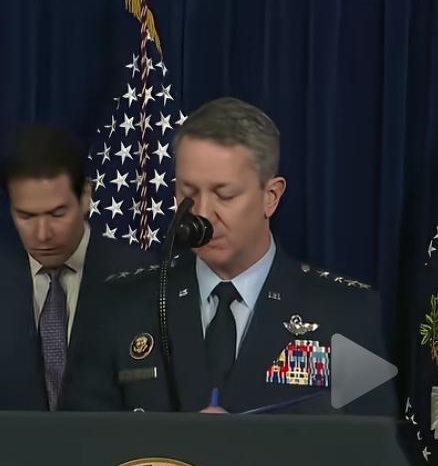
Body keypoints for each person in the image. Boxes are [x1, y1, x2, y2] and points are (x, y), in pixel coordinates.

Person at [63, 97, 395, 414]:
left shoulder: (346, 314)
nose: (202, 213)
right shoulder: (120, 307)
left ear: (271, 196)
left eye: (225, 195)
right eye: (189, 192)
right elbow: (80, 441)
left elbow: (372, 447)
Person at [0, 125, 146, 410]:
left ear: (85, 197)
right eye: (26, 216)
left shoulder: (141, 276)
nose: (42, 234)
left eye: (57, 214)